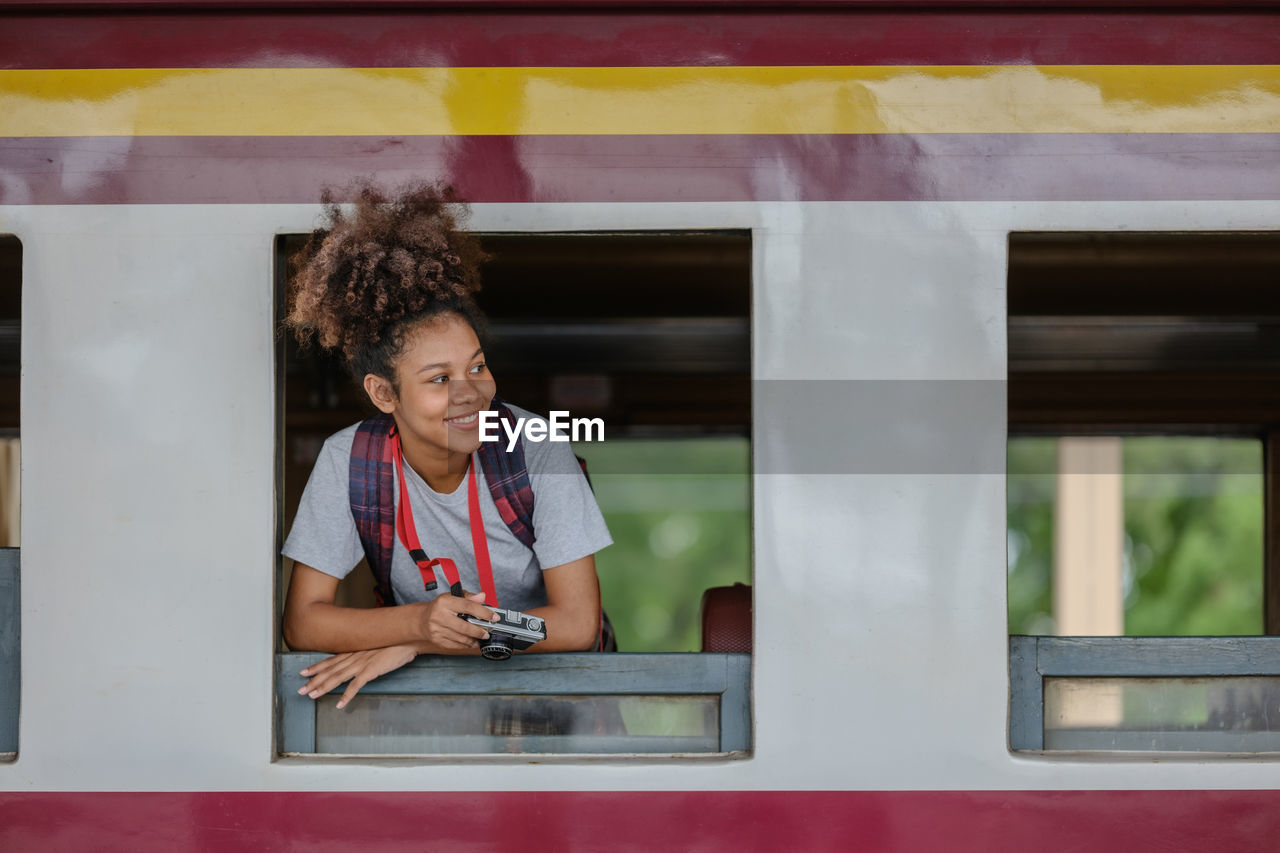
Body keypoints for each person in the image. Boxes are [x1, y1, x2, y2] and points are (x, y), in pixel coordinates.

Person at [281, 183, 612, 709]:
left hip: (559, 700)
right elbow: (302, 622)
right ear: (384, 393)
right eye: (439, 379)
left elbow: (574, 625)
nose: (472, 394)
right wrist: (418, 622)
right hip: (429, 704)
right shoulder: (349, 461)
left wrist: (417, 641)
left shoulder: (536, 449)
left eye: (477, 367)